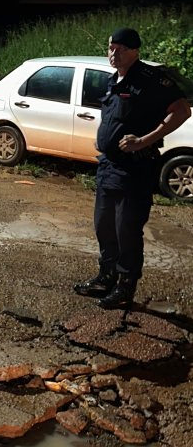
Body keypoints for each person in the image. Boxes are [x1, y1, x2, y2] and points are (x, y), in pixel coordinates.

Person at [74, 27, 191, 309]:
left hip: (135, 170)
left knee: (126, 228)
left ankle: (126, 286)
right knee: (104, 226)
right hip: (108, 168)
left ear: (135, 51)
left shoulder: (150, 80)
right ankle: (106, 275)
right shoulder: (113, 79)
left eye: (120, 49)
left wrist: (144, 140)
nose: (113, 54)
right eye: (110, 48)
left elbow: (182, 110)